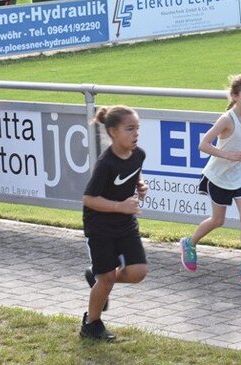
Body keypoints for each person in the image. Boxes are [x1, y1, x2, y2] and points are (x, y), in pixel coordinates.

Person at [180, 74, 241, 283]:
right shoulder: (226, 119)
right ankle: (189, 243)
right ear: (235, 96)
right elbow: (203, 145)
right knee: (218, 220)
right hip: (219, 177)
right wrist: (228, 155)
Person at [81, 105, 149, 341]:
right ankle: (91, 324)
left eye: (137, 128)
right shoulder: (105, 163)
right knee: (107, 278)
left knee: (138, 272)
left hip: (125, 224)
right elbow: (89, 199)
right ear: (113, 132)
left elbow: (133, 172)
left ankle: (98, 279)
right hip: (99, 228)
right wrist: (120, 206)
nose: (136, 133)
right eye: (130, 129)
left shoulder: (138, 154)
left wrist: (140, 184)